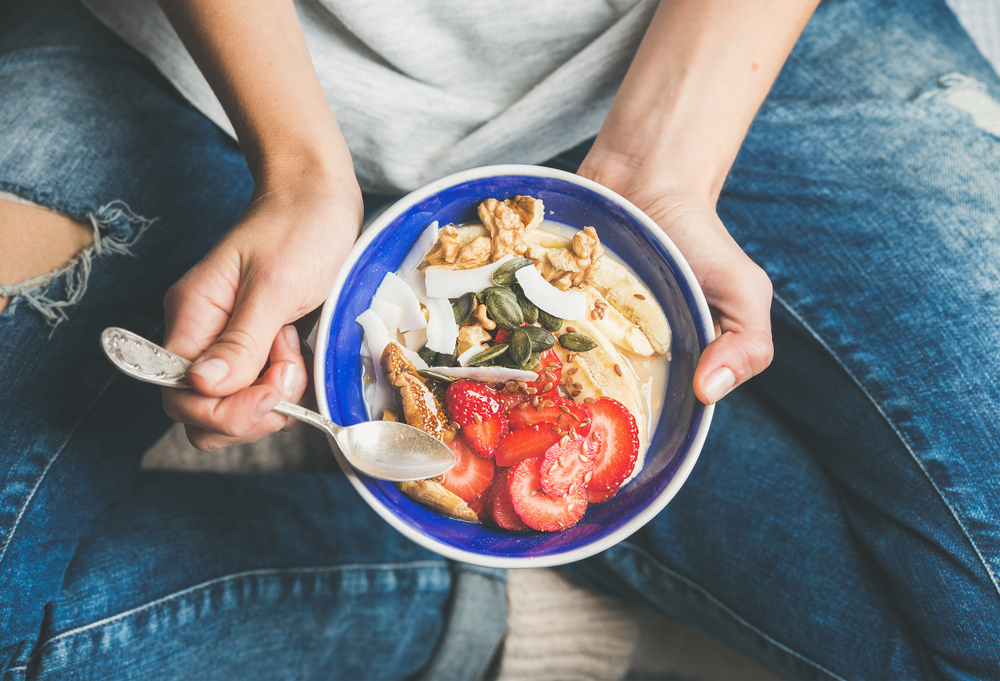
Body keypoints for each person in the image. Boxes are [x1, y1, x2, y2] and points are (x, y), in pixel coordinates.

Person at [1, 0, 998, 678]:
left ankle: (575, 528)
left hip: (728, 54)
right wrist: (299, 161)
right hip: (193, 68)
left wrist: (664, 162)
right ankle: (453, 597)